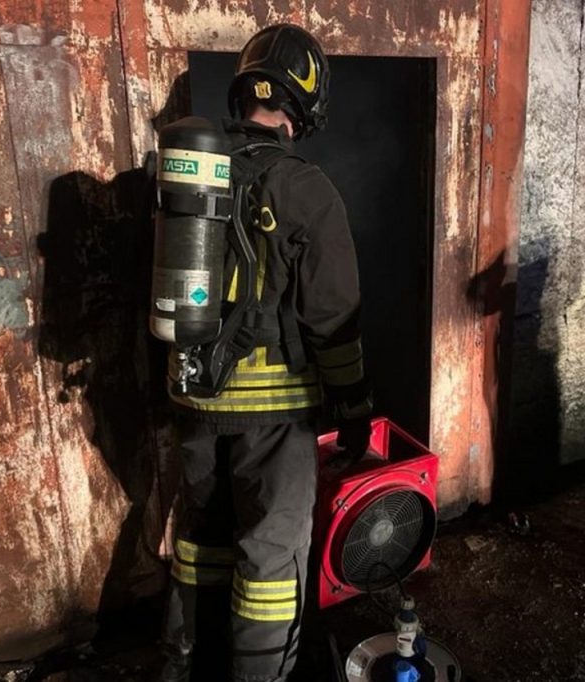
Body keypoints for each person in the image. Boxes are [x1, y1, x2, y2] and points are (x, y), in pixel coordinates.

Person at [157, 24, 372, 682]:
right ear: (303, 105)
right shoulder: (307, 189)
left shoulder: (191, 170)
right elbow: (333, 317)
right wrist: (353, 404)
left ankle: (187, 667)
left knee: (202, 543)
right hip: (276, 420)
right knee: (270, 563)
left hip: (194, 399)